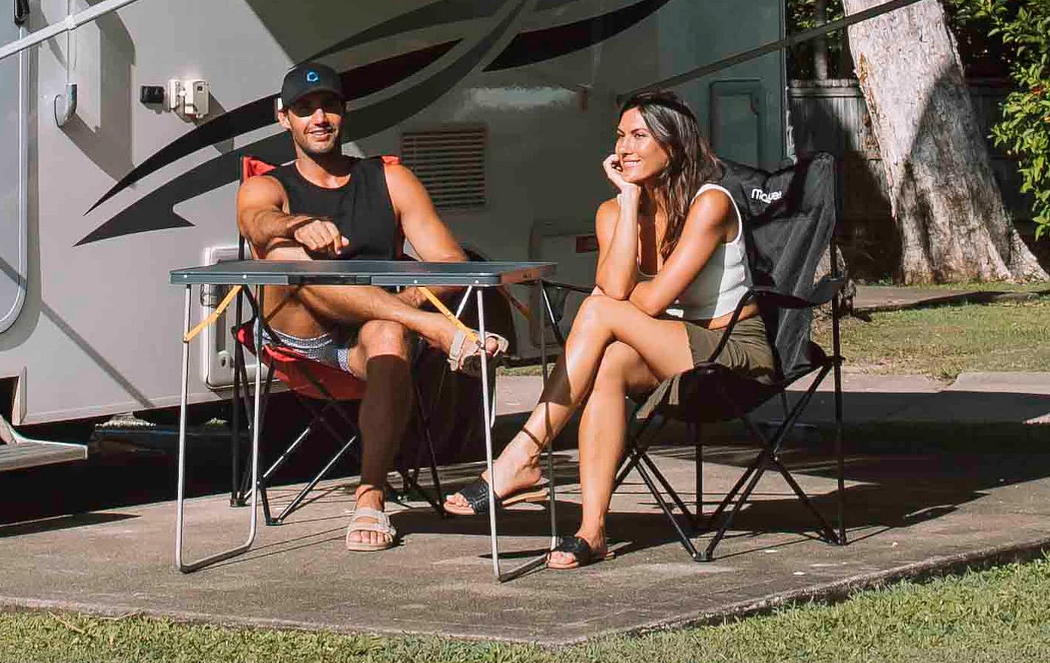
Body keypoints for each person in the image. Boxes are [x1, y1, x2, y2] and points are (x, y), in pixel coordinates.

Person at [452, 95, 753, 566]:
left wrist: (611, 303)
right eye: (619, 135)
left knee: (596, 311)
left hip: (730, 351)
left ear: (672, 147)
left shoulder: (709, 204)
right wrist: (630, 201)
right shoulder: (613, 212)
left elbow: (645, 300)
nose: (625, 147)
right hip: (669, 345)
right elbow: (615, 287)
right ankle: (592, 531)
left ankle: (522, 456)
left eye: (639, 136)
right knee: (608, 365)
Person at [233, 58, 499, 551]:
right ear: (282, 117)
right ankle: (436, 329)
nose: (319, 118)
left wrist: (403, 302)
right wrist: (296, 225)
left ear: (344, 111)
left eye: (329, 106)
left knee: (389, 331)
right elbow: (256, 223)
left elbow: (448, 260)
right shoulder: (267, 185)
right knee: (284, 255)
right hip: (301, 335)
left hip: (370, 339)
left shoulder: (390, 179)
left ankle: (370, 494)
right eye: (304, 108)